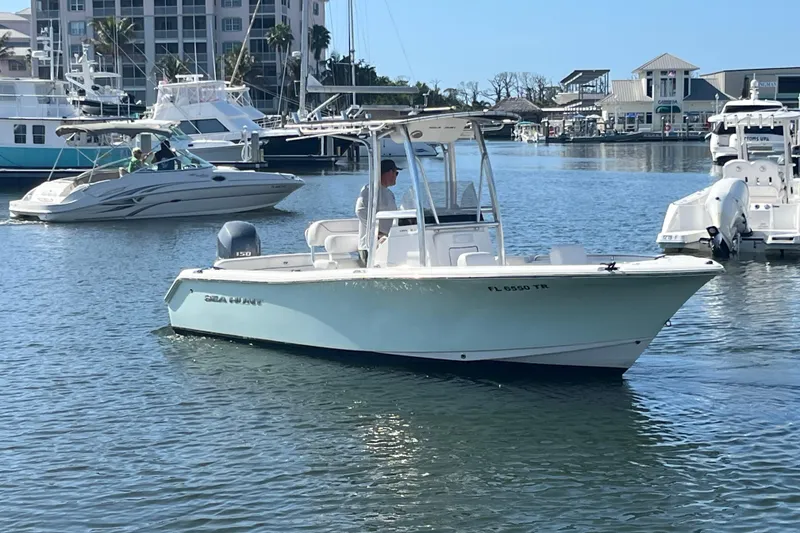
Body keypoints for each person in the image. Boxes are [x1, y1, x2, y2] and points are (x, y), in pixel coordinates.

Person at [355, 159, 400, 265]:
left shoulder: (389, 193)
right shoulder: (369, 190)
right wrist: (377, 232)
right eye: (396, 173)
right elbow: (360, 211)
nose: (396, 176)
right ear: (390, 172)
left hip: (386, 243)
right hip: (371, 247)